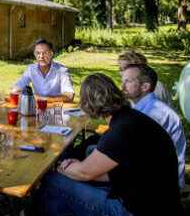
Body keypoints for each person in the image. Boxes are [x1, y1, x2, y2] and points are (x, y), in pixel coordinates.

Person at [35, 73, 181, 216]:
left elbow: (83, 173)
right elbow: (115, 173)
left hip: (135, 209)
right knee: (73, 174)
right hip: (160, 202)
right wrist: (77, 168)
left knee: (52, 181)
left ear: (88, 104)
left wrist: (62, 167)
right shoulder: (130, 118)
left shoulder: (120, 131)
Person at [121, 64, 186, 188]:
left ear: (145, 87)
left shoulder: (151, 114)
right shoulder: (145, 107)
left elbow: (132, 156)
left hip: (159, 185)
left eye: (128, 81)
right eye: (122, 81)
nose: (122, 86)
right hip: (155, 174)